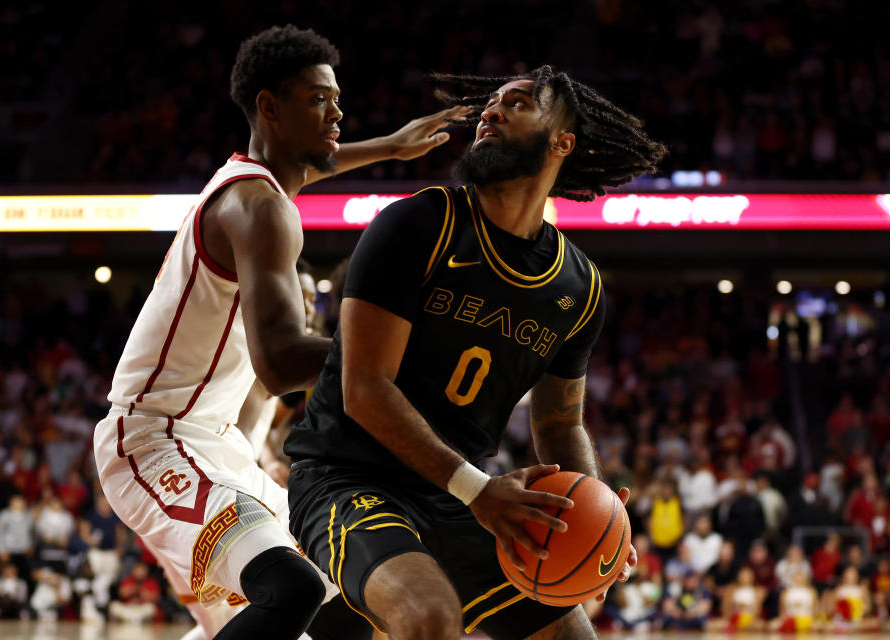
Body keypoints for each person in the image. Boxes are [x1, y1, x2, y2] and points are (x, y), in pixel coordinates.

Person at [93, 24, 467, 640]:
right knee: (289, 590)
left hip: (210, 441)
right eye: (319, 98)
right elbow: (280, 363)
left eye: (337, 98)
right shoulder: (261, 209)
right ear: (269, 106)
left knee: (345, 611)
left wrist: (389, 147)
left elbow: (312, 165)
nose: (338, 111)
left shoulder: (259, 184)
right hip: (154, 437)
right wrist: (403, 354)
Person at [284, 65, 666, 638]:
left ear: (563, 141)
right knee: (430, 616)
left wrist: (600, 521)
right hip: (347, 478)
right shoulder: (417, 225)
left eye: (517, 103)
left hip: (460, 494)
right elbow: (363, 390)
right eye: (491, 102)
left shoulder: (578, 287)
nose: (491, 110)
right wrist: (477, 490)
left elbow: (560, 426)